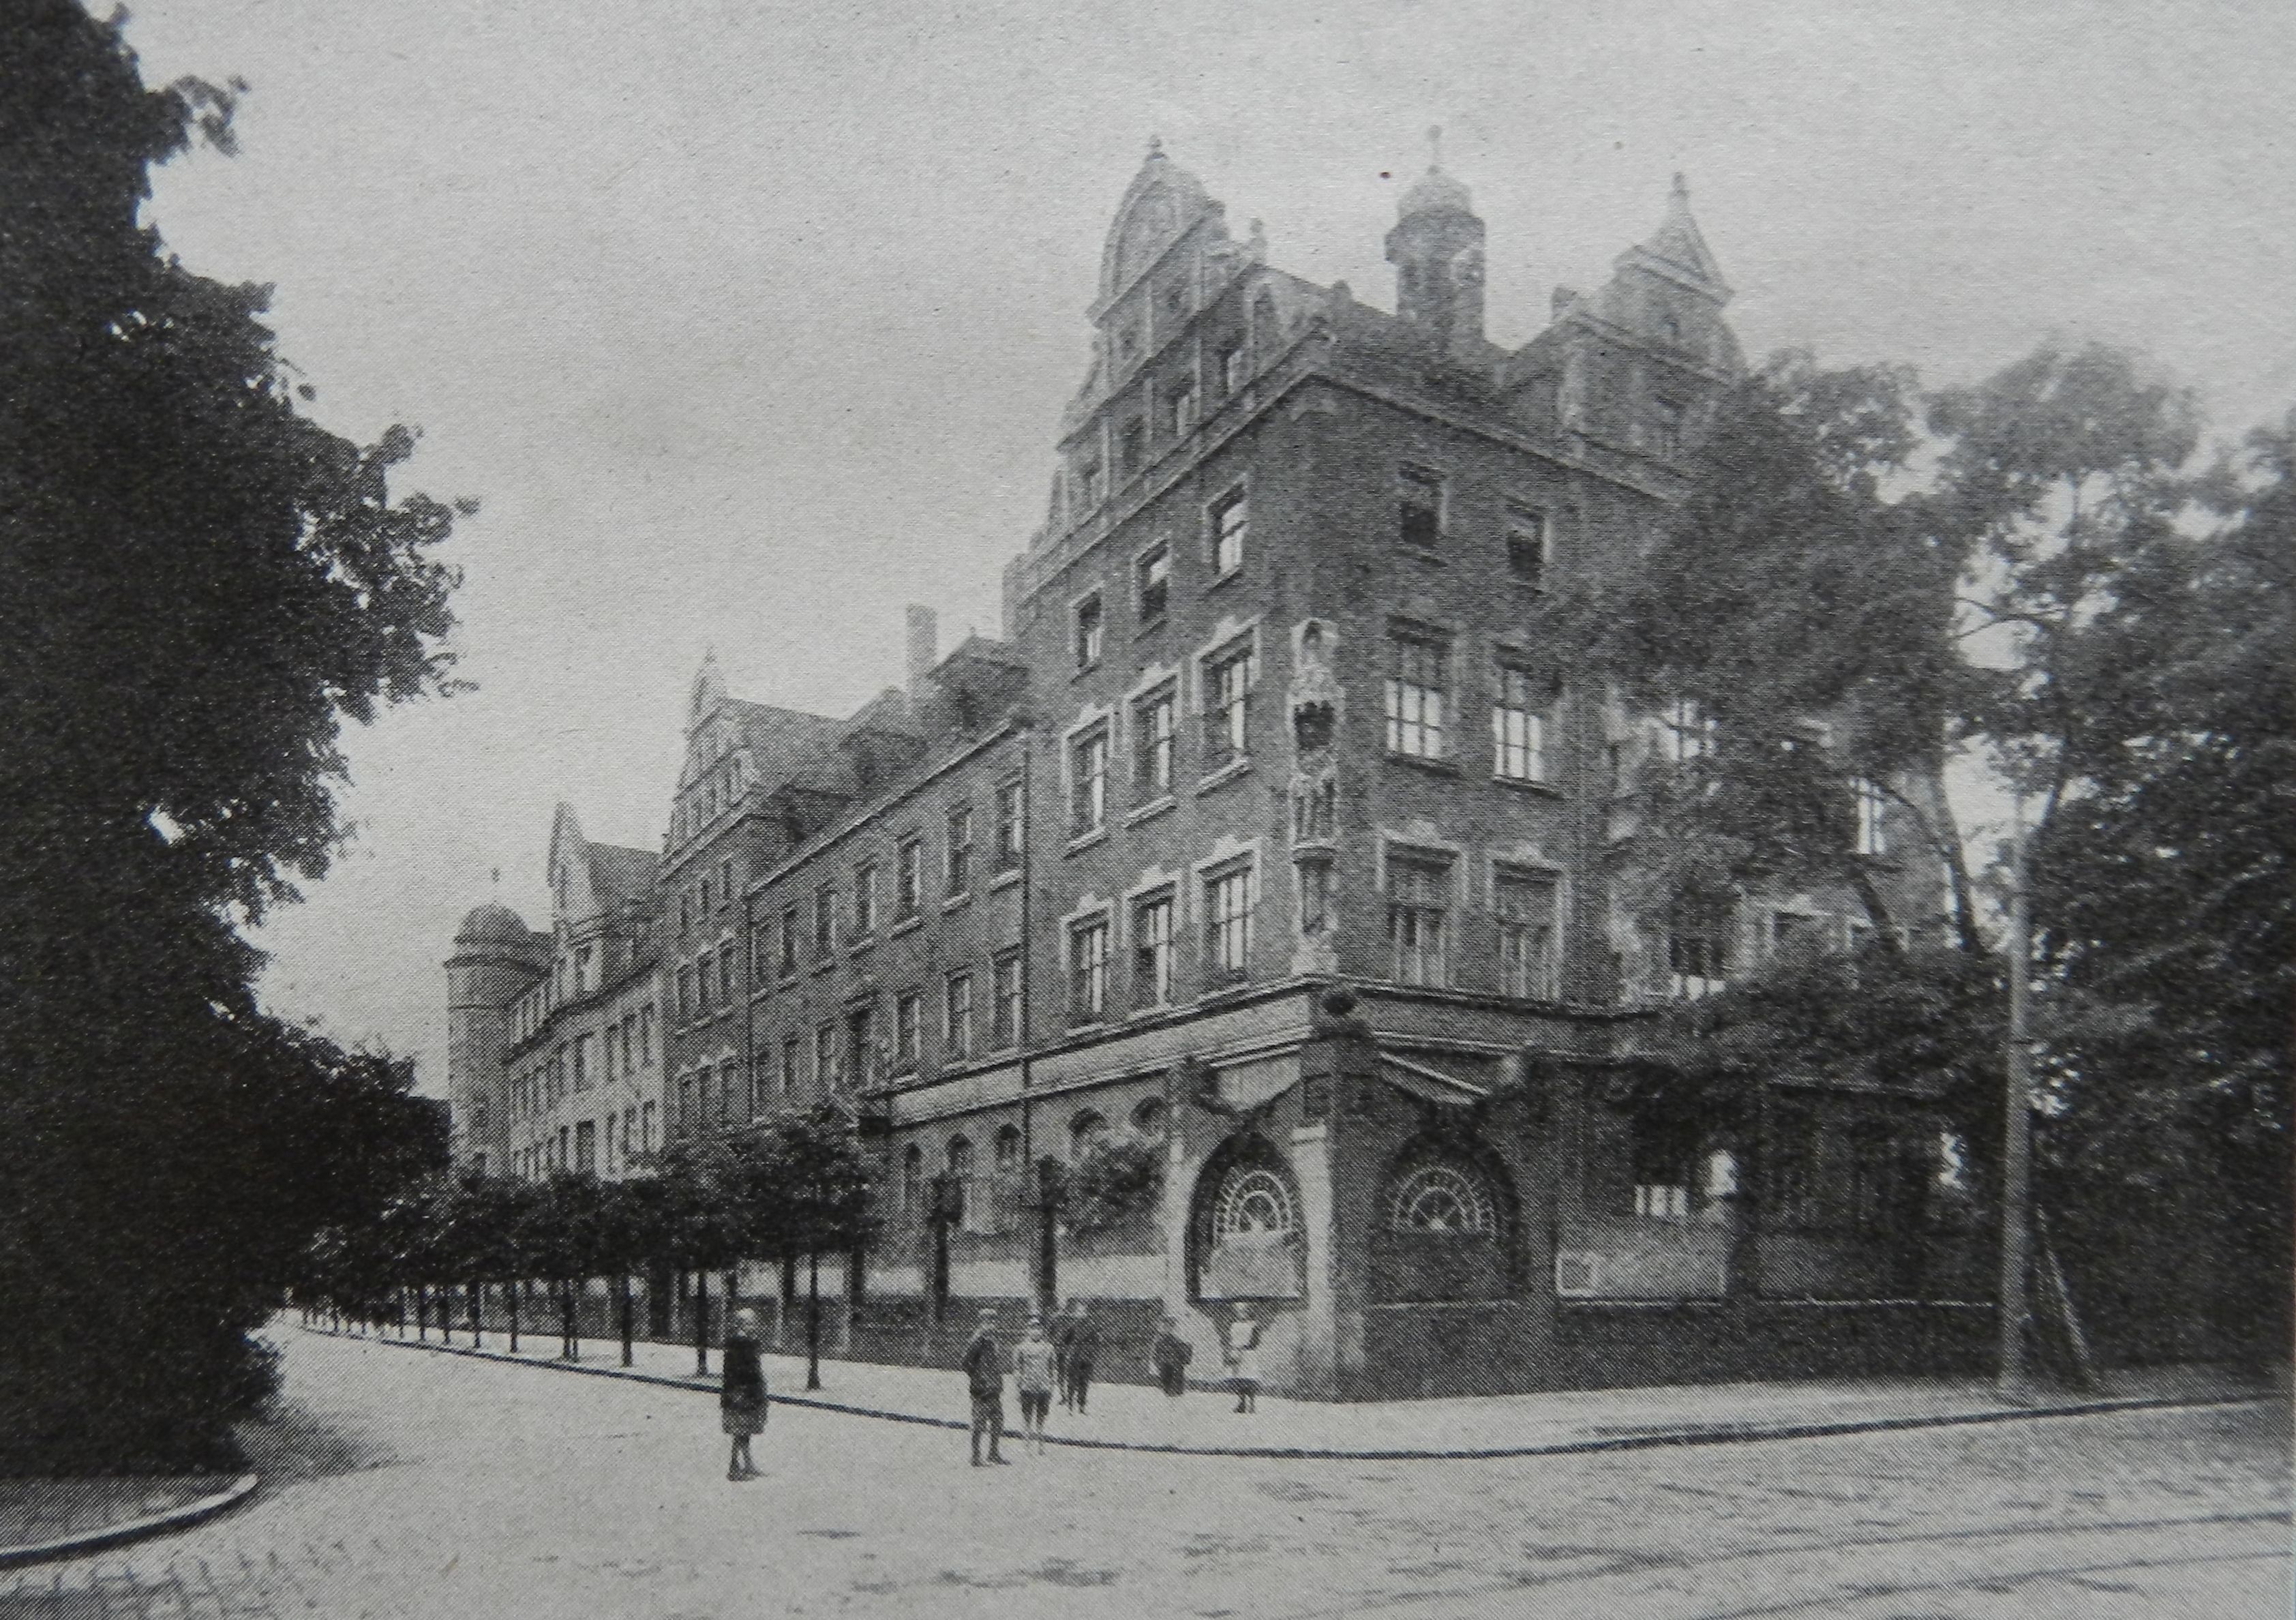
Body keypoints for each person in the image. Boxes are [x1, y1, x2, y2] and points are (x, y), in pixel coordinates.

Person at [721, 1307, 768, 1480]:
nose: (753, 1326)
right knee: (739, 1430)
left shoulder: (749, 1341)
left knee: (746, 1429)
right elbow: (733, 1371)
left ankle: (747, 1464)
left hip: (749, 1392)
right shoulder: (738, 1343)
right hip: (740, 1392)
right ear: (741, 1324)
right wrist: (737, 1392)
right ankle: (733, 1467)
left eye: (754, 1323)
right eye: (750, 1323)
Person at [961, 1306, 1009, 1466]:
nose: (991, 1324)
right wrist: (979, 1380)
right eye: (987, 1321)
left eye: (993, 1321)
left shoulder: (992, 1340)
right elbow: (966, 1363)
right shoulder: (978, 1340)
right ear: (981, 1322)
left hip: (994, 1388)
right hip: (981, 1390)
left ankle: (993, 1453)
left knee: (998, 1421)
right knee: (979, 1423)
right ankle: (975, 1456)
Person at [1013, 1314, 1057, 1456]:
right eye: (1033, 1328)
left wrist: (1052, 1384)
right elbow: (1017, 1368)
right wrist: (1018, 1387)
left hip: (1043, 1387)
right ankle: (1027, 1444)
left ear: (1042, 1330)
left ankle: (1040, 1444)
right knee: (1027, 1417)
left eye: (1038, 1328)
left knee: (1041, 1416)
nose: (1036, 1331)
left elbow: (1054, 1367)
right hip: (1027, 1386)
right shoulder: (1021, 1348)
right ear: (1027, 1330)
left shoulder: (1049, 1348)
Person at [1061, 1298, 1100, 1414]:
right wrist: (1068, 1353)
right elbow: (1065, 1340)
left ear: (1087, 1313)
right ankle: (1070, 1406)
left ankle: (1082, 1407)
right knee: (1071, 1383)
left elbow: (1097, 1343)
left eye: (1084, 1311)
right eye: (1080, 1311)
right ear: (1077, 1313)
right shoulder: (1073, 1326)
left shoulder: (1093, 1327)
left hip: (1086, 1359)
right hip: (1074, 1358)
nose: (1082, 1313)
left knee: (1084, 1383)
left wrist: (1092, 1356)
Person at [1225, 1302, 1262, 1413]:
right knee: (1239, 1379)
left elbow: (1256, 1342)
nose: (1241, 1314)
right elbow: (1232, 1339)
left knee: (1249, 1378)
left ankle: (1252, 1404)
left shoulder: (1253, 1325)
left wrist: (1245, 1347)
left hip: (1249, 1355)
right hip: (1237, 1353)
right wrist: (1233, 1350)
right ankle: (1242, 1403)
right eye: (1239, 1312)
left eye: (1244, 1312)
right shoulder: (1234, 1326)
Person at [1151, 1315, 1192, 1398]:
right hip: (1165, 1369)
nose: (1167, 1328)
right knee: (1167, 1390)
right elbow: (1156, 1355)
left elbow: (1186, 1356)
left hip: (1176, 1369)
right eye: (1165, 1326)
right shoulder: (1160, 1342)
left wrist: (1181, 1360)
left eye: (1170, 1326)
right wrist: (1159, 1362)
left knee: (1175, 1392)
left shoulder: (1178, 1341)